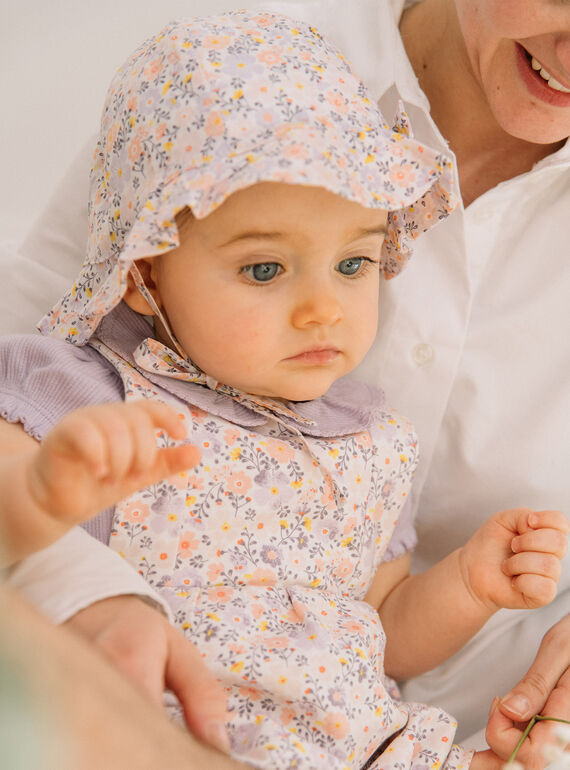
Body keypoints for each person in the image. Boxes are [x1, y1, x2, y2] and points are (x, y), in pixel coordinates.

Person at [1, 10, 568, 770]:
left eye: (356, 265)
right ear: (142, 275)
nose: (322, 309)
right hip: (156, 730)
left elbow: (382, 628)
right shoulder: (93, 389)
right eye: (265, 270)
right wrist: (48, 489)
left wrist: (469, 583)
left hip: (367, 746)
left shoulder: (366, 448)